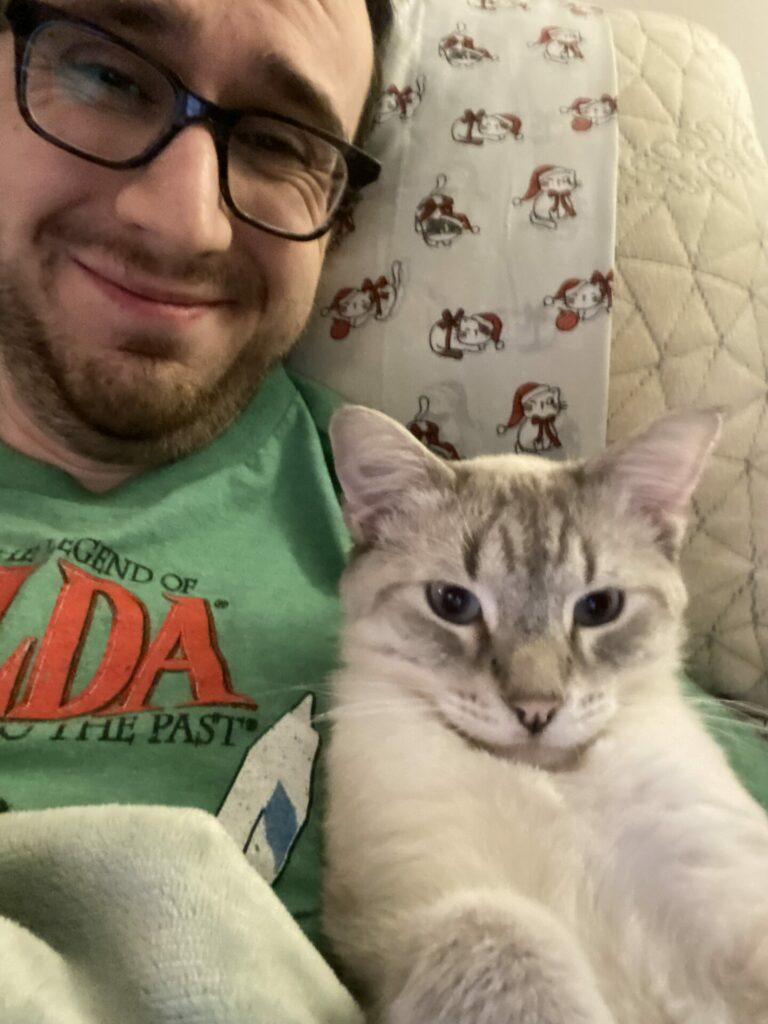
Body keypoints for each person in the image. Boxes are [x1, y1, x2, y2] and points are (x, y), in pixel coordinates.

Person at [0, 0, 392, 963]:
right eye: (108, 74)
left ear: (336, 230)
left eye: (277, 143)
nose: (183, 221)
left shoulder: (445, 561)